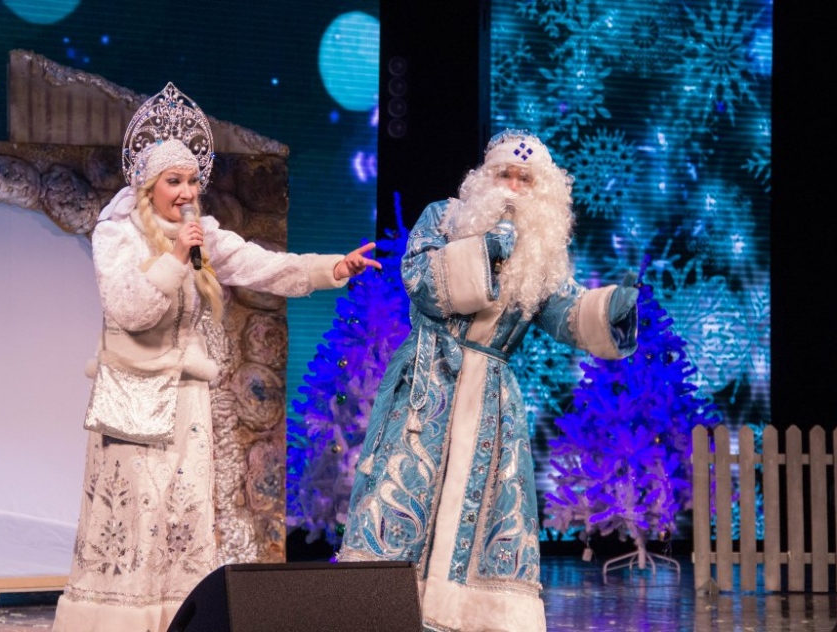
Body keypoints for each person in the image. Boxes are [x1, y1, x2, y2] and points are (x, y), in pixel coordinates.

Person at [51, 82, 380, 632]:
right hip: (132, 399)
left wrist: (332, 268)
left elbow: (262, 266)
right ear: (148, 185)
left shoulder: (202, 234)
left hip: (186, 401)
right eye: (173, 181)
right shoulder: (117, 234)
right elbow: (129, 309)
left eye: (191, 181)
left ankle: (179, 620)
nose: (185, 192)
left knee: (181, 513)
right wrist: (177, 256)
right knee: (134, 519)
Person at [336, 130, 639, 632]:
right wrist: (484, 249)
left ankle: (468, 615)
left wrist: (609, 311)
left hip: (491, 397)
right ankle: (380, 610)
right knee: (401, 492)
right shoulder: (444, 217)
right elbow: (421, 282)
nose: (513, 187)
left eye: (525, 179)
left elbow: (562, 312)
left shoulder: (540, 252)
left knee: (489, 505)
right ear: (485, 177)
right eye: (504, 174)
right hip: (427, 385)